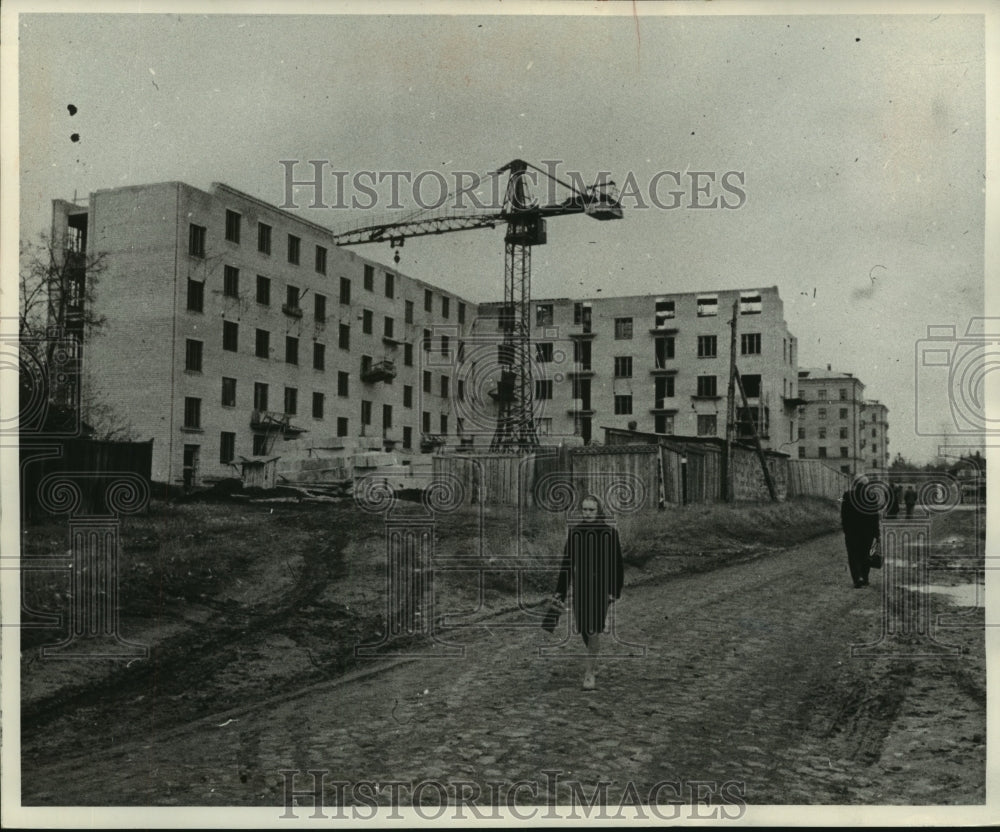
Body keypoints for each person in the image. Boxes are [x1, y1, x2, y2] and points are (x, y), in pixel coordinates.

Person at [551, 495, 624, 691]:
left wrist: (614, 591)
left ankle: (589, 673)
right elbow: (567, 564)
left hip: (601, 589)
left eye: (592, 510)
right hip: (581, 588)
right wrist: (560, 592)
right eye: (585, 510)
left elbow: (617, 565)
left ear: (599, 511)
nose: (588, 513)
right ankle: (594, 654)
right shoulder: (576, 533)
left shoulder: (610, 533)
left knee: (592, 628)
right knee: (584, 628)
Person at [840, 474, 880, 588]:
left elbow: (843, 515)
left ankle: (857, 578)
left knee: (853, 555)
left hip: (852, 532)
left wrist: (846, 529)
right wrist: (876, 534)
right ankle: (865, 578)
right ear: (866, 485)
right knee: (866, 554)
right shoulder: (872, 497)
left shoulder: (847, 495)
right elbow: (875, 518)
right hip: (868, 533)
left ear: (856, 484)